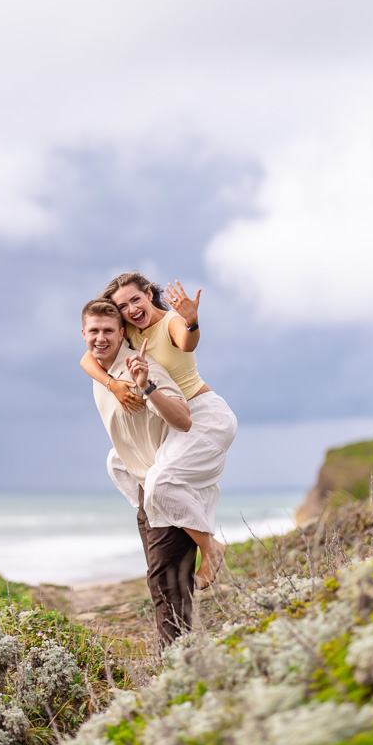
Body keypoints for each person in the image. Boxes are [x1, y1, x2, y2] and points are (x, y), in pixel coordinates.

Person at [80, 273, 237, 589]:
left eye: (135, 299)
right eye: (123, 306)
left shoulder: (171, 322)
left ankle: (211, 547)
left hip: (203, 413)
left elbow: (186, 341)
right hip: (172, 419)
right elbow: (86, 357)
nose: (132, 309)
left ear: (149, 294)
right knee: (118, 462)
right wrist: (112, 385)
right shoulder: (131, 335)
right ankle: (162, 510)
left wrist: (192, 321)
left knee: (160, 480)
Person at [81, 298, 198, 647]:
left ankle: (177, 666)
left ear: (122, 334)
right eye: (94, 331)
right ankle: (182, 662)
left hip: (167, 484)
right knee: (163, 584)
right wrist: (111, 382)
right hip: (146, 488)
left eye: (108, 331)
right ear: (83, 333)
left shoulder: (139, 367)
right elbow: (89, 361)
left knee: (167, 584)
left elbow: (184, 419)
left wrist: (146, 385)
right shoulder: (103, 374)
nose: (100, 338)